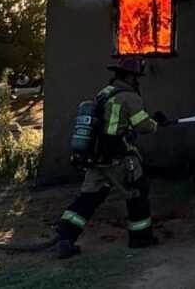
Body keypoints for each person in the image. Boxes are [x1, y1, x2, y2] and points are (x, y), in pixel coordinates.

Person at [55, 57, 169, 259]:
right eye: (135, 77)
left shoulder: (105, 92)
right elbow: (143, 126)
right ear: (128, 77)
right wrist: (156, 123)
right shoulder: (130, 97)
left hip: (95, 155)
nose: (137, 81)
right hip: (118, 156)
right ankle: (140, 237)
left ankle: (65, 237)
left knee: (89, 197)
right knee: (137, 190)